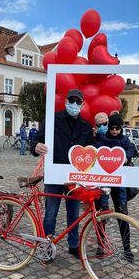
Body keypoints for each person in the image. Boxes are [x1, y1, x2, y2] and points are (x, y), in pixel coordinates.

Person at [31, 89, 93, 259]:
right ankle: (46, 245)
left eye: (78, 102)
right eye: (71, 100)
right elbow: (37, 139)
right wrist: (35, 146)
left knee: (74, 213)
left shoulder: (86, 126)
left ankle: (73, 245)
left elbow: (91, 151)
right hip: (54, 174)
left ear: (82, 104)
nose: (74, 104)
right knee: (51, 212)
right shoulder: (52, 119)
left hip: (74, 176)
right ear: (66, 101)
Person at [94, 113, 136, 261]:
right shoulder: (102, 139)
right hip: (103, 180)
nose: (114, 131)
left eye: (117, 128)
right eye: (111, 128)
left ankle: (127, 248)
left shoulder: (124, 140)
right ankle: (101, 245)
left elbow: (132, 150)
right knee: (102, 214)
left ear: (121, 128)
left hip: (119, 182)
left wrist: (126, 156)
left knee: (122, 214)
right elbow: (94, 150)